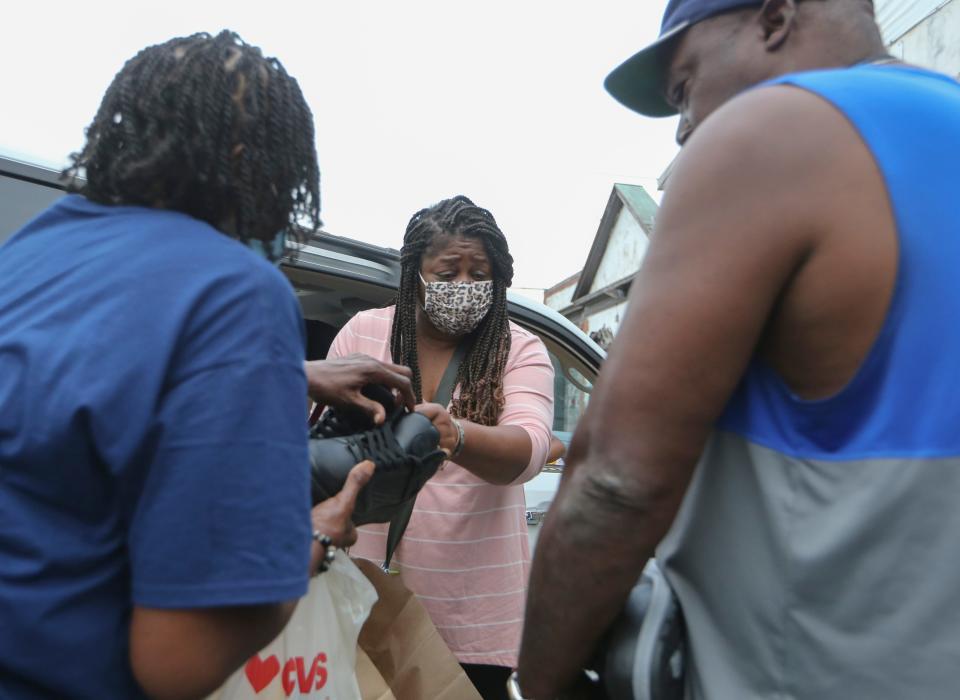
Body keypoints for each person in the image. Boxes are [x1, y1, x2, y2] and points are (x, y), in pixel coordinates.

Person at [516, 1, 960, 698]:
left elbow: (615, 483)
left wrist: (536, 686)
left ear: (776, 17)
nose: (687, 131)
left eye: (685, 87)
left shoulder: (773, 131)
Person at [0, 31, 415, 699]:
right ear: (256, 163)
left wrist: (283, 374)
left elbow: (81, 384)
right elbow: (178, 660)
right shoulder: (234, 291)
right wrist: (315, 541)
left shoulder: (25, 257)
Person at [327, 195, 554, 699]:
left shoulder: (518, 348)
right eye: (449, 272)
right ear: (416, 274)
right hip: (364, 601)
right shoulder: (363, 334)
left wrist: (459, 435)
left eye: (481, 272)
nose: (465, 286)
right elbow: (315, 445)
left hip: (474, 619)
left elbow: (532, 447)